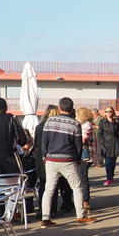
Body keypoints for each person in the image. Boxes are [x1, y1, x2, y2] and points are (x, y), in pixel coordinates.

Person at [40, 97, 95, 227]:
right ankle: (80, 215)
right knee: (77, 187)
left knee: (49, 190)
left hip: (51, 159)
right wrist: (78, 160)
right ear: (71, 109)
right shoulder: (74, 124)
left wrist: (44, 157)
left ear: (59, 108)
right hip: (68, 159)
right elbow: (78, 146)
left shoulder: (49, 121)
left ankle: (45, 218)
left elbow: (44, 142)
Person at [76, 107, 96, 215]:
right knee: (83, 178)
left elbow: (82, 139)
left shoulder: (85, 126)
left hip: (85, 156)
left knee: (82, 178)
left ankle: (85, 201)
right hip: (88, 156)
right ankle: (85, 200)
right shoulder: (89, 125)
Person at [97, 106, 119, 185]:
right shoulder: (102, 122)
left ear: (113, 112)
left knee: (113, 162)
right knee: (108, 162)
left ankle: (111, 177)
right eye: (106, 111)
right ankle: (109, 178)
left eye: (109, 111)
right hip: (106, 144)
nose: (108, 113)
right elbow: (99, 133)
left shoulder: (117, 121)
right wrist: (102, 142)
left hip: (115, 143)